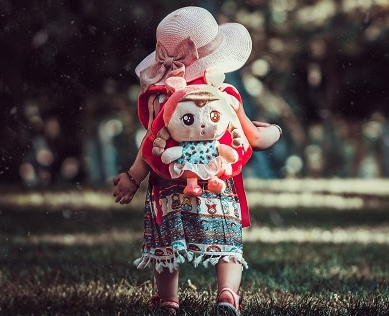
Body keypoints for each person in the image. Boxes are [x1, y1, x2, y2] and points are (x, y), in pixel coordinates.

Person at [112, 6, 281, 315]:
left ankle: (168, 302)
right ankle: (227, 294)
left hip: (170, 184)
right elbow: (255, 139)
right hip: (216, 186)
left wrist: (133, 178)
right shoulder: (225, 94)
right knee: (227, 246)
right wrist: (275, 131)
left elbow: (150, 144)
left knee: (167, 250)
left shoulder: (159, 97)